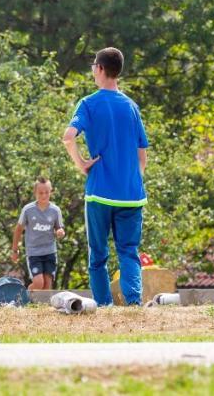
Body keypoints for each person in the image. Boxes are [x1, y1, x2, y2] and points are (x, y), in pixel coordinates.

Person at [62, 47, 149, 306]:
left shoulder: (89, 103)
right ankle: (133, 304)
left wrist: (81, 164)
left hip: (99, 192)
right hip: (131, 195)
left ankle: (104, 305)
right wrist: (133, 179)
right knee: (128, 253)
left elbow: (68, 137)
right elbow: (141, 154)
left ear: (100, 69)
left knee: (98, 255)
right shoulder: (132, 107)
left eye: (93, 66)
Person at [12, 177, 65, 290]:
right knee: (38, 283)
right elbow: (18, 230)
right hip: (34, 253)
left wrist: (60, 232)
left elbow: (59, 228)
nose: (44, 195)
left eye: (47, 192)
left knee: (47, 286)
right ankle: (23, 297)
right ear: (35, 193)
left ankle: (41, 307)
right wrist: (15, 250)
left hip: (50, 252)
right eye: (40, 193)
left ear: (51, 192)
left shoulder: (55, 210)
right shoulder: (28, 210)